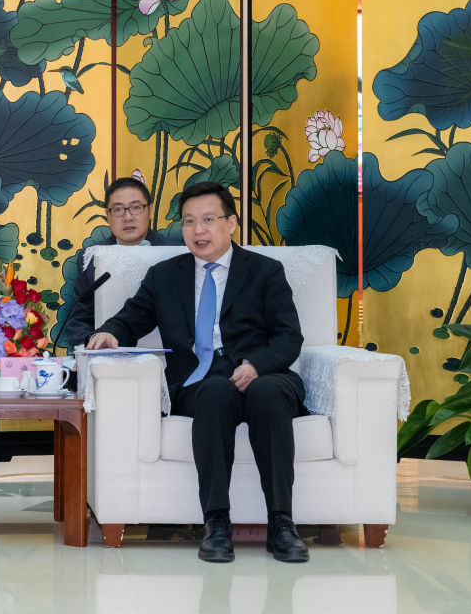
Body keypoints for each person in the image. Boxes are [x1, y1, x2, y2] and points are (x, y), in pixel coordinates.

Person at [86, 181, 309, 563]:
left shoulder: (265, 271)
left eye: (208, 219)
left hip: (264, 373)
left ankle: (282, 524)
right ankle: (216, 524)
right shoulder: (164, 275)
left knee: (268, 394)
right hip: (199, 381)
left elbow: (289, 337)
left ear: (231, 223)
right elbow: (132, 318)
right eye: (189, 221)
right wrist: (109, 332)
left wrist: (256, 366)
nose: (198, 230)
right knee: (215, 392)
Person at [63, 176, 178, 351]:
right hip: (107, 354)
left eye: (136, 207)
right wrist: (92, 346)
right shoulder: (92, 256)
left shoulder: (176, 254)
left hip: (170, 356)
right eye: (118, 209)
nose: (127, 217)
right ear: (107, 215)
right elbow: (80, 319)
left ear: (150, 210)